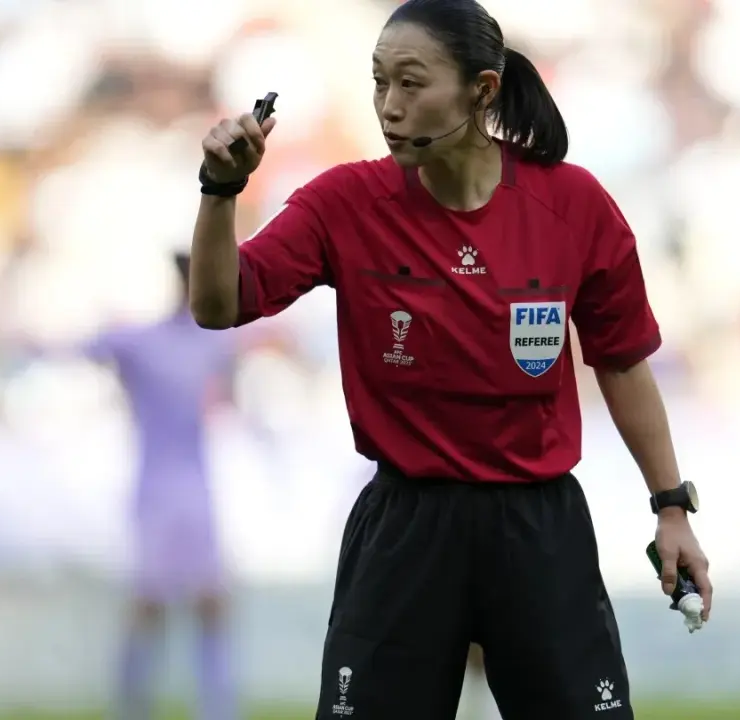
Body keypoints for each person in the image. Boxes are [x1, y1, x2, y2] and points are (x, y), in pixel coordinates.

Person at [186, 1, 713, 718]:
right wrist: (221, 191)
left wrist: (671, 508)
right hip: (405, 530)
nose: (388, 107)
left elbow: (620, 362)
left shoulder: (574, 204)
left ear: (483, 91)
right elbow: (221, 304)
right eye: (378, 84)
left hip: (539, 529)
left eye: (410, 84)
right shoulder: (345, 202)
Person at [85, 253, 239, 720]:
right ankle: (132, 707)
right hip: (155, 486)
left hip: (194, 483)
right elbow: (90, 347)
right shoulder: (144, 340)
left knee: (210, 602)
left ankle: (217, 710)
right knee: (149, 605)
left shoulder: (213, 341)